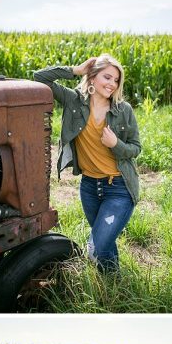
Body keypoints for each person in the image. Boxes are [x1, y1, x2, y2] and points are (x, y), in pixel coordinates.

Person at [34, 55, 141, 273]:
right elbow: (39, 77)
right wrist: (75, 70)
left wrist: (116, 144)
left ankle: (109, 280)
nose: (112, 84)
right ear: (92, 77)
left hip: (119, 188)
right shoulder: (74, 101)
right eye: (107, 77)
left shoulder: (123, 110)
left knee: (97, 247)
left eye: (116, 80)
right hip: (90, 187)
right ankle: (112, 283)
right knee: (105, 243)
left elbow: (135, 148)